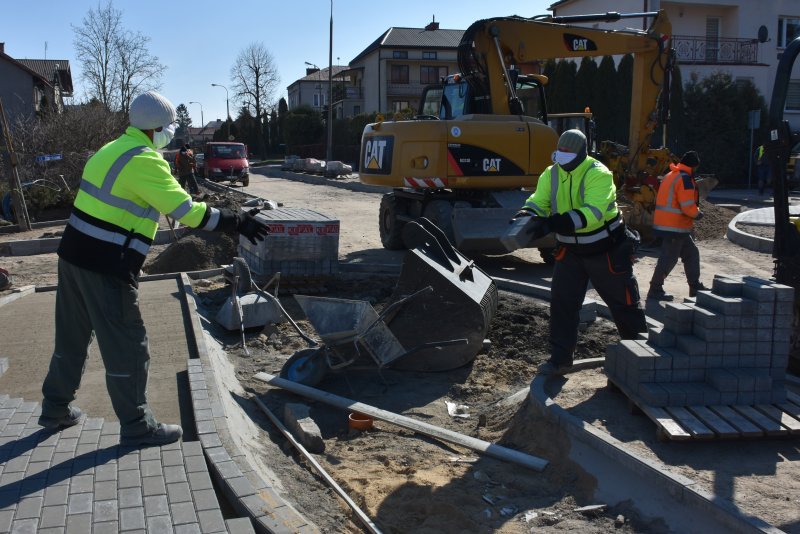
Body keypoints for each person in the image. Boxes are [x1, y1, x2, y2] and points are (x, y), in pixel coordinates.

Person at [37, 91, 269, 446]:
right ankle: (136, 424)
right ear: (157, 128)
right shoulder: (145, 161)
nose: (172, 133)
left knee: (72, 337)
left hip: (73, 257)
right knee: (128, 345)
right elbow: (189, 213)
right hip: (106, 265)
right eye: (170, 127)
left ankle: (54, 407)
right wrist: (237, 220)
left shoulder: (109, 149)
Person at [512, 129, 647, 375]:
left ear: (581, 153)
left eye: (567, 152)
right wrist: (528, 215)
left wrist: (553, 223)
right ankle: (560, 360)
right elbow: (538, 200)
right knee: (562, 304)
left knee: (624, 304)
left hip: (606, 250)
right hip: (571, 252)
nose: (561, 155)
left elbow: (593, 214)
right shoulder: (551, 174)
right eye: (559, 150)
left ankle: (642, 358)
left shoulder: (598, 174)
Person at [647, 150, 706, 302]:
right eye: (696, 168)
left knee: (691, 253)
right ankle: (655, 288)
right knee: (669, 258)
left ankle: (695, 287)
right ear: (692, 166)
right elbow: (687, 206)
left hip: (669, 225)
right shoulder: (685, 179)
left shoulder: (670, 174)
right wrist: (697, 213)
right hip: (675, 226)